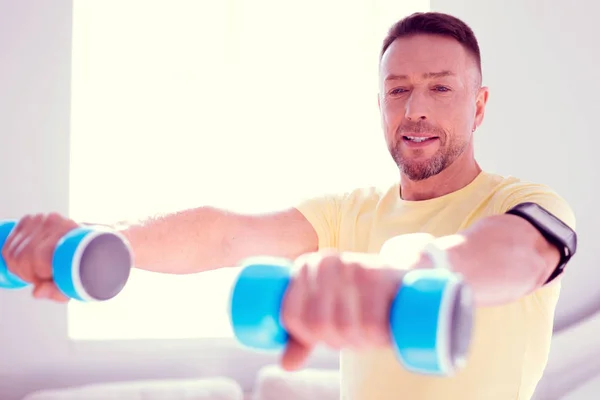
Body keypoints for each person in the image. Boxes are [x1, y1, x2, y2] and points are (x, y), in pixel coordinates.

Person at [1, 11, 577, 400]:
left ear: (478, 106)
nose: (415, 109)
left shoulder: (524, 204)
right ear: (379, 105)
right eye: (398, 90)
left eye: (440, 87)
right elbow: (224, 234)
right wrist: (95, 240)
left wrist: (411, 276)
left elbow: (519, 254)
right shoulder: (350, 212)